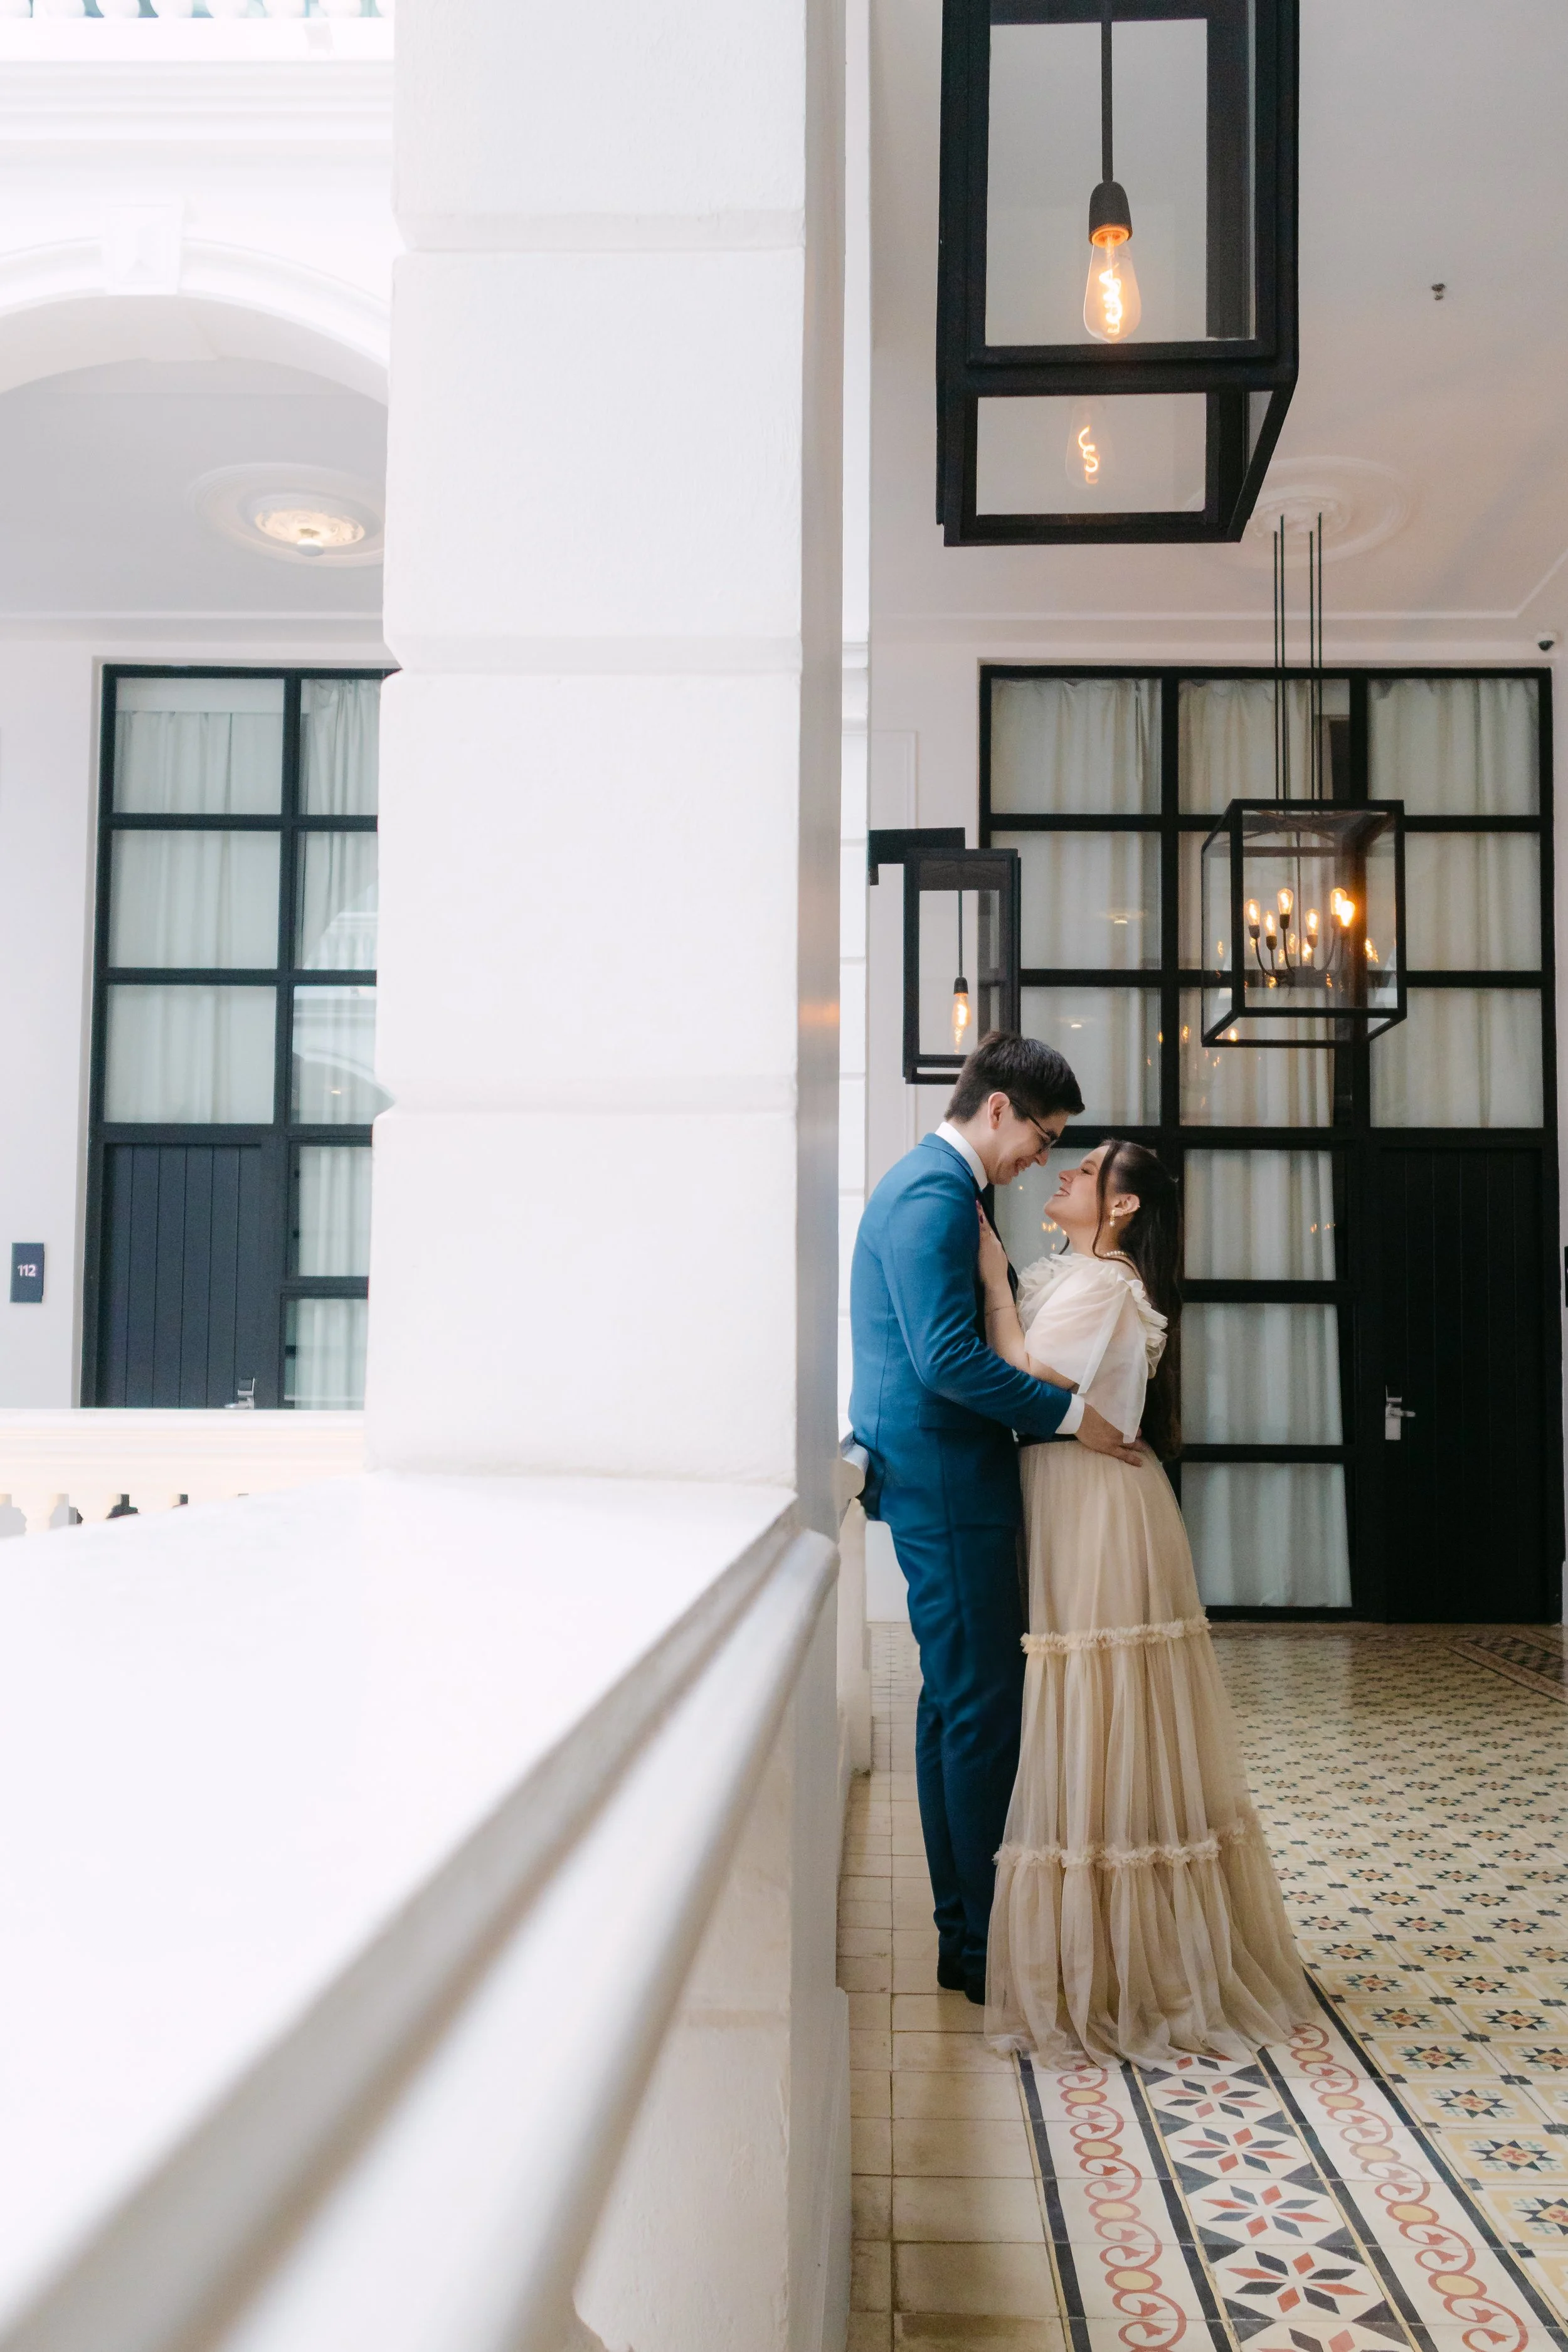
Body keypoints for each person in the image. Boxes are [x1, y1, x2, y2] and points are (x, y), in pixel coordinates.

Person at [977, 1138, 1312, 2065]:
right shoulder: (1077, 1271)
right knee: (1083, 1704)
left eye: (1084, 1172)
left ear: (1122, 1207)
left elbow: (1030, 1379)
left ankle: (1123, 1965)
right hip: (1070, 1489)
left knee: (1099, 1709)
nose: (1065, 1175)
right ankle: (1102, 1953)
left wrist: (995, 1283)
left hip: (1094, 1505)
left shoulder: (1106, 1283)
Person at [848, 1034, 1142, 2005]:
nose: (1040, 1163)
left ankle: (963, 1935)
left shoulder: (925, 1183)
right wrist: (1070, 1418)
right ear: (1001, 1108)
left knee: (951, 1708)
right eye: (1043, 1137)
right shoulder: (937, 1193)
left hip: (937, 1472)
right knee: (980, 1714)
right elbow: (945, 1361)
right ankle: (981, 1947)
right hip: (949, 1477)